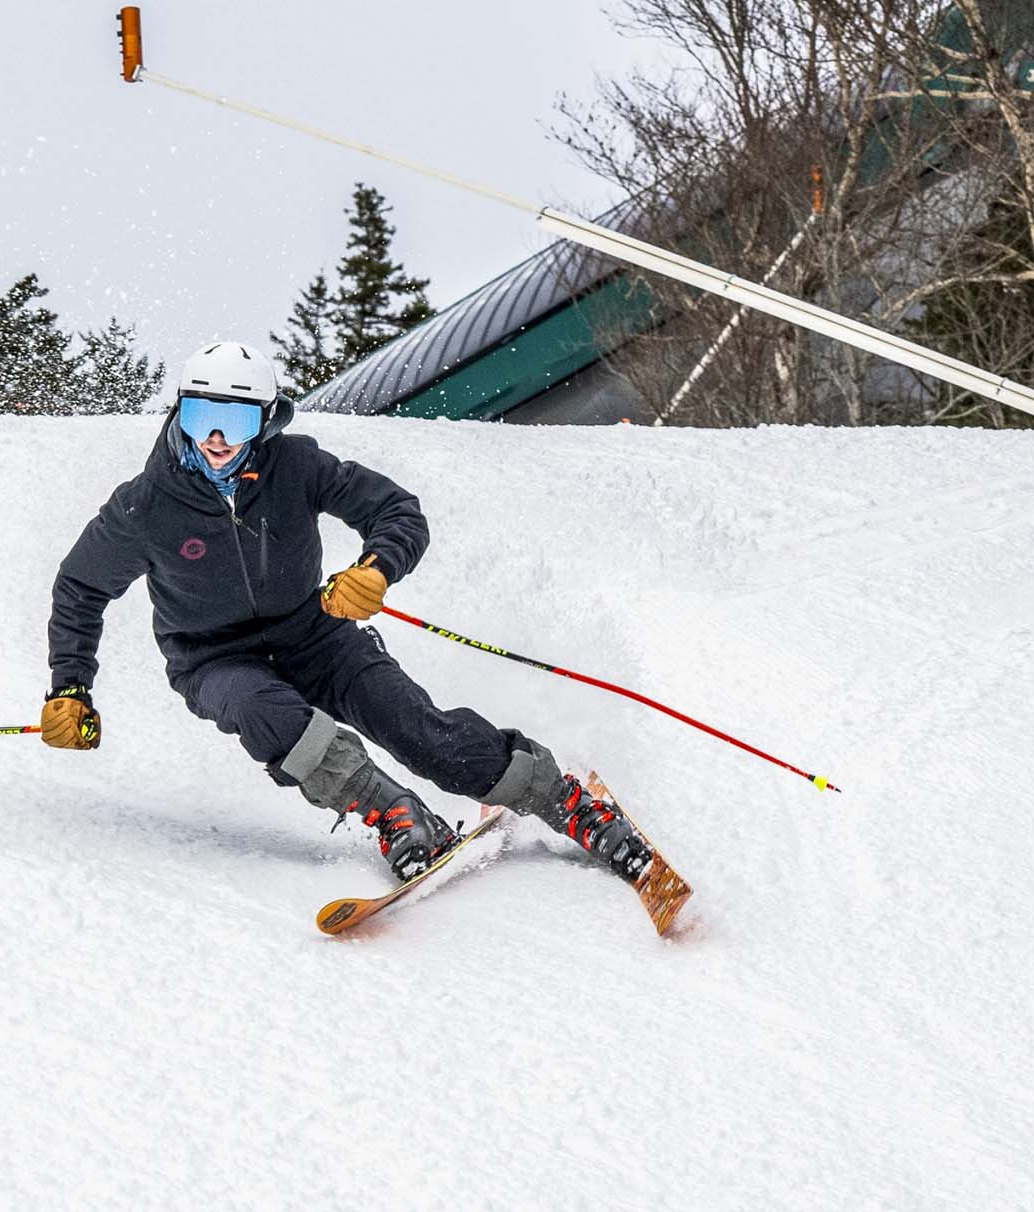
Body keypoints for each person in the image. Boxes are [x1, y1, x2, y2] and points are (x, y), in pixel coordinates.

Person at [39, 339, 659, 888]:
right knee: (270, 715)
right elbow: (79, 589)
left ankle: (563, 798)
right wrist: (70, 686)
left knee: (422, 734)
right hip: (214, 659)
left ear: (265, 418)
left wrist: (376, 569)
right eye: (202, 414)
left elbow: (397, 512)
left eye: (235, 417)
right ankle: (395, 814)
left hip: (317, 635)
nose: (217, 437)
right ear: (180, 412)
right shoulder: (145, 506)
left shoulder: (297, 466)